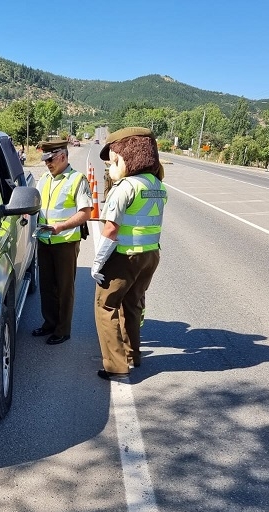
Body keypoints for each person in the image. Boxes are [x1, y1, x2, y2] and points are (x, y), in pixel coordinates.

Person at [91, 127, 167, 381]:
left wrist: (98, 262)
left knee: (106, 305)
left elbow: (111, 229)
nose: (111, 166)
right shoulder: (157, 185)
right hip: (150, 255)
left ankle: (115, 366)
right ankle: (133, 354)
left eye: (113, 159)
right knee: (133, 304)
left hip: (126, 255)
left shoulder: (125, 187)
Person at [33, 139, 92, 345]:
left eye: (51, 159)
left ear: (63, 156)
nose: (47, 164)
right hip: (44, 240)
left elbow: (85, 213)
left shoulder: (77, 179)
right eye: (45, 160)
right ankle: (49, 323)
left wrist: (61, 227)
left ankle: (62, 329)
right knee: (46, 286)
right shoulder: (44, 179)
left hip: (65, 241)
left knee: (65, 288)